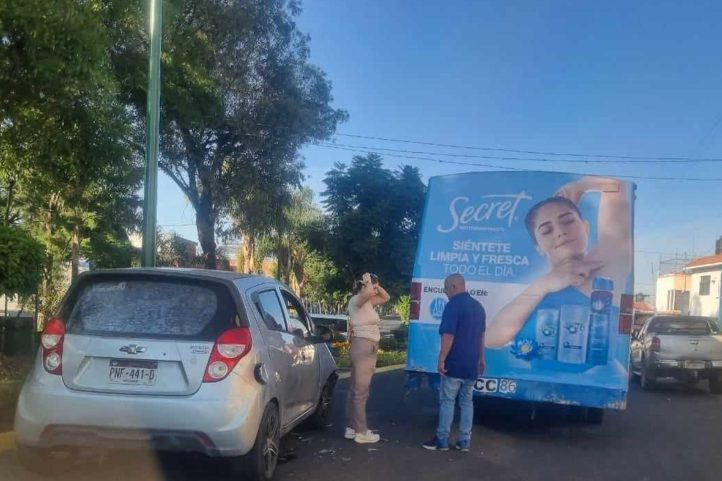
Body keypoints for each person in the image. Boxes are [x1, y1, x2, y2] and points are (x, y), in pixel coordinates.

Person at [485, 176, 632, 348]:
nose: (560, 232)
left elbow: (615, 186)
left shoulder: (607, 262)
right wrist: (544, 284)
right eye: (547, 230)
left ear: (586, 227)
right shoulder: (537, 290)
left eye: (568, 221)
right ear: (538, 247)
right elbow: (492, 340)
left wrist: (580, 186)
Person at [422, 273, 486, 452]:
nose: (445, 293)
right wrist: (481, 358)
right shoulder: (478, 307)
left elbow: (448, 335)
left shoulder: (453, 306)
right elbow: (482, 336)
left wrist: (441, 359)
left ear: (454, 286)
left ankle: (442, 440)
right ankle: (464, 441)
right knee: (467, 402)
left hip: (455, 363)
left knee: (448, 401)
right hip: (472, 364)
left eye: (446, 289)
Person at [345, 272, 390, 444]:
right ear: (364, 286)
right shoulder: (357, 300)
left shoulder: (367, 302)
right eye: (373, 286)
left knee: (355, 389)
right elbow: (368, 293)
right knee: (361, 391)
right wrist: (368, 282)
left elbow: (386, 297)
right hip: (363, 347)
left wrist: (375, 285)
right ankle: (361, 432)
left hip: (365, 346)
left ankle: (352, 427)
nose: (375, 290)